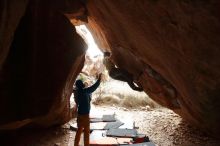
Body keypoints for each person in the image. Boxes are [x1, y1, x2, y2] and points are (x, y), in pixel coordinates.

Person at [74, 73, 102, 146]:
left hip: (79, 115)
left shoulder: (77, 92)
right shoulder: (85, 91)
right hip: (85, 115)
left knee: (79, 131)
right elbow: (94, 87)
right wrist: (99, 79)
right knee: (86, 132)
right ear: (82, 85)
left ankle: (75, 144)